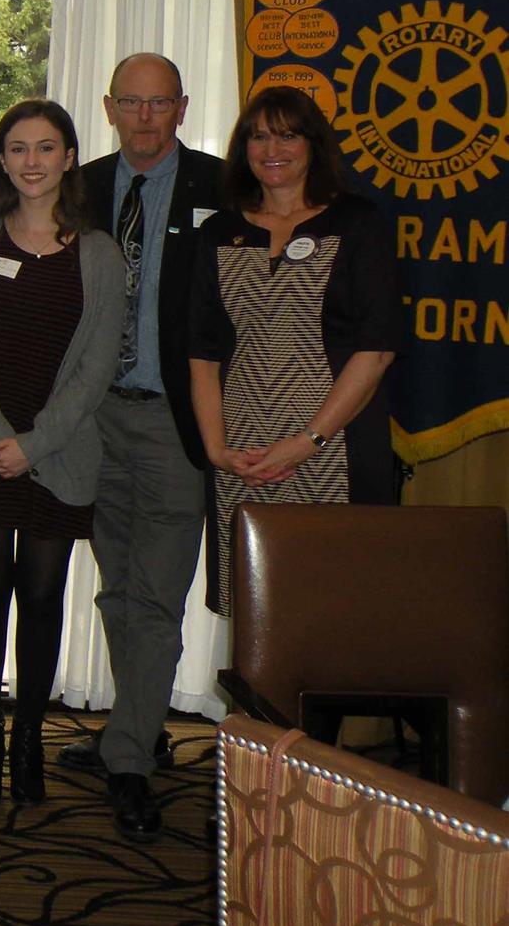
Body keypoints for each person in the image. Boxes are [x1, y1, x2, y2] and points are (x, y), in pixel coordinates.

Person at [0, 99, 126, 806]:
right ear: (2, 159)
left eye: (46, 147)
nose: (32, 161)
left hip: (59, 453)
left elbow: (95, 369)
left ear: (69, 157)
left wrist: (35, 444)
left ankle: (29, 739)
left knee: (41, 598)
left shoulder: (99, 254)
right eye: (17, 148)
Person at [60, 53, 225, 841]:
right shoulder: (79, 189)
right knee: (117, 587)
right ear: (109, 107)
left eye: (160, 103)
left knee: (156, 593)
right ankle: (141, 724)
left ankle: (128, 758)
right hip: (94, 417)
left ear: (182, 108)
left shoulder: (223, 187)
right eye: (132, 102)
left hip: (173, 419)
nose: (146, 117)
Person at [190, 86, 400, 615]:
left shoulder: (357, 223)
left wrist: (308, 441)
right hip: (242, 451)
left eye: (287, 136)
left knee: (337, 606)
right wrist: (217, 450)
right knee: (253, 609)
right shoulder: (219, 231)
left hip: (337, 446)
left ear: (313, 145)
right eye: (259, 137)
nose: (272, 150)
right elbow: (202, 354)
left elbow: (376, 351)